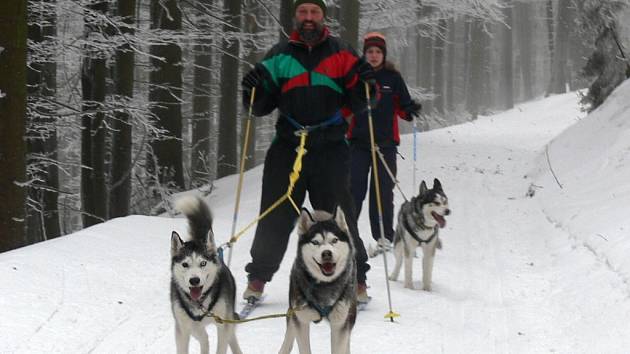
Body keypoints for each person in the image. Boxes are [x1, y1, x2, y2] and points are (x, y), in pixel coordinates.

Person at [240, 0, 375, 303]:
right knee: (275, 214)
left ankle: (357, 279)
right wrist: (250, 89)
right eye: (303, 12)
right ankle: (258, 278)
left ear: (323, 17)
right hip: (289, 147)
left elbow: (362, 101)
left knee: (340, 217)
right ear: (295, 17)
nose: (309, 18)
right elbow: (259, 106)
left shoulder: (342, 52)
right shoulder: (279, 55)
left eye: (314, 12)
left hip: (330, 148)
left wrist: (368, 85)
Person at [347, 32, 421, 248]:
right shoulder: (356, 75)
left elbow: (403, 106)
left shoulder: (393, 78)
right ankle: (347, 233)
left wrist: (410, 111)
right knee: (354, 189)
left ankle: (385, 237)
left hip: (385, 144)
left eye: (378, 52)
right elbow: (346, 103)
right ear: (365, 53)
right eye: (370, 51)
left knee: (382, 191)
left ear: (384, 54)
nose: (373, 55)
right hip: (359, 143)